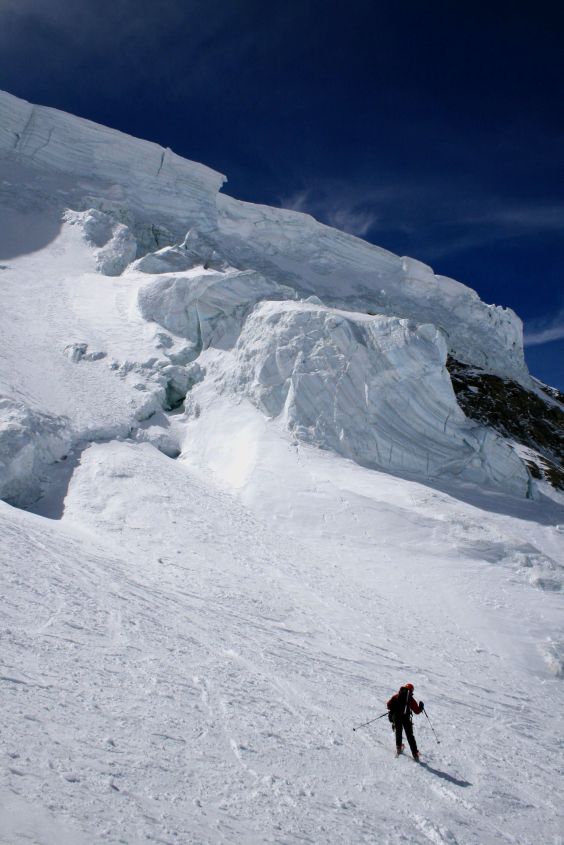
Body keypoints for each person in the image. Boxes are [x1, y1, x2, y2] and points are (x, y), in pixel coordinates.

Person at [387, 683, 424, 759]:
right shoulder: (410, 699)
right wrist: (421, 707)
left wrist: (394, 708)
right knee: (410, 735)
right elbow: (417, 711)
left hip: (396, 717)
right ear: (411, 691)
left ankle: (399, 747)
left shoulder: (397, 696)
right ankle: (415, 753)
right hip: (405, 718)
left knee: (398, 731)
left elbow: (388, 705)